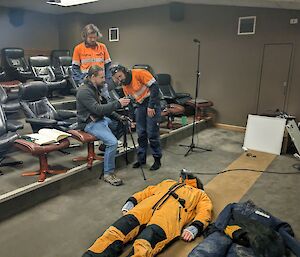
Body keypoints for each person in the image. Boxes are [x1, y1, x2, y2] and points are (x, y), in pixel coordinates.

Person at [82, 170, 213, 257]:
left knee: (144, 244)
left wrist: (195, 226)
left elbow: (205, 211)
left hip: (167, 218)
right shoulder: (169, 182)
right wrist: (132, 200)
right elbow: (148, 191)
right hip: (144, 209)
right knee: (115, 231)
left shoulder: (199, 194)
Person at [76, 65, 130, 186]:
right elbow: (98, 109)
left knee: (123, 124)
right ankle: (108, 173)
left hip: (100, 119)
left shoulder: (96, 88)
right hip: (90, 123)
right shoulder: (84, 91)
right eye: (101, 77)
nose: (104, 79)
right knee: (113, 142)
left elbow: (106, 109)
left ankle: (105, 148)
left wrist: (119, 117)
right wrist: (118, 104)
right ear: (92, 77)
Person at [111, 64, 162, 171]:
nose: (119, 80)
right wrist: (131, 119)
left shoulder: (140, 73)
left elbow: (155, 87)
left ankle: (157, 160)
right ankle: (141, 159)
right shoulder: (125, 86)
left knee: (152, 133)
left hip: (152, 102)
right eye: (117, 78)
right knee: (141, 133)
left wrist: (151, 106)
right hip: (140, 105)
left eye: (120, 76)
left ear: (124, 71)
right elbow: (129, 102)